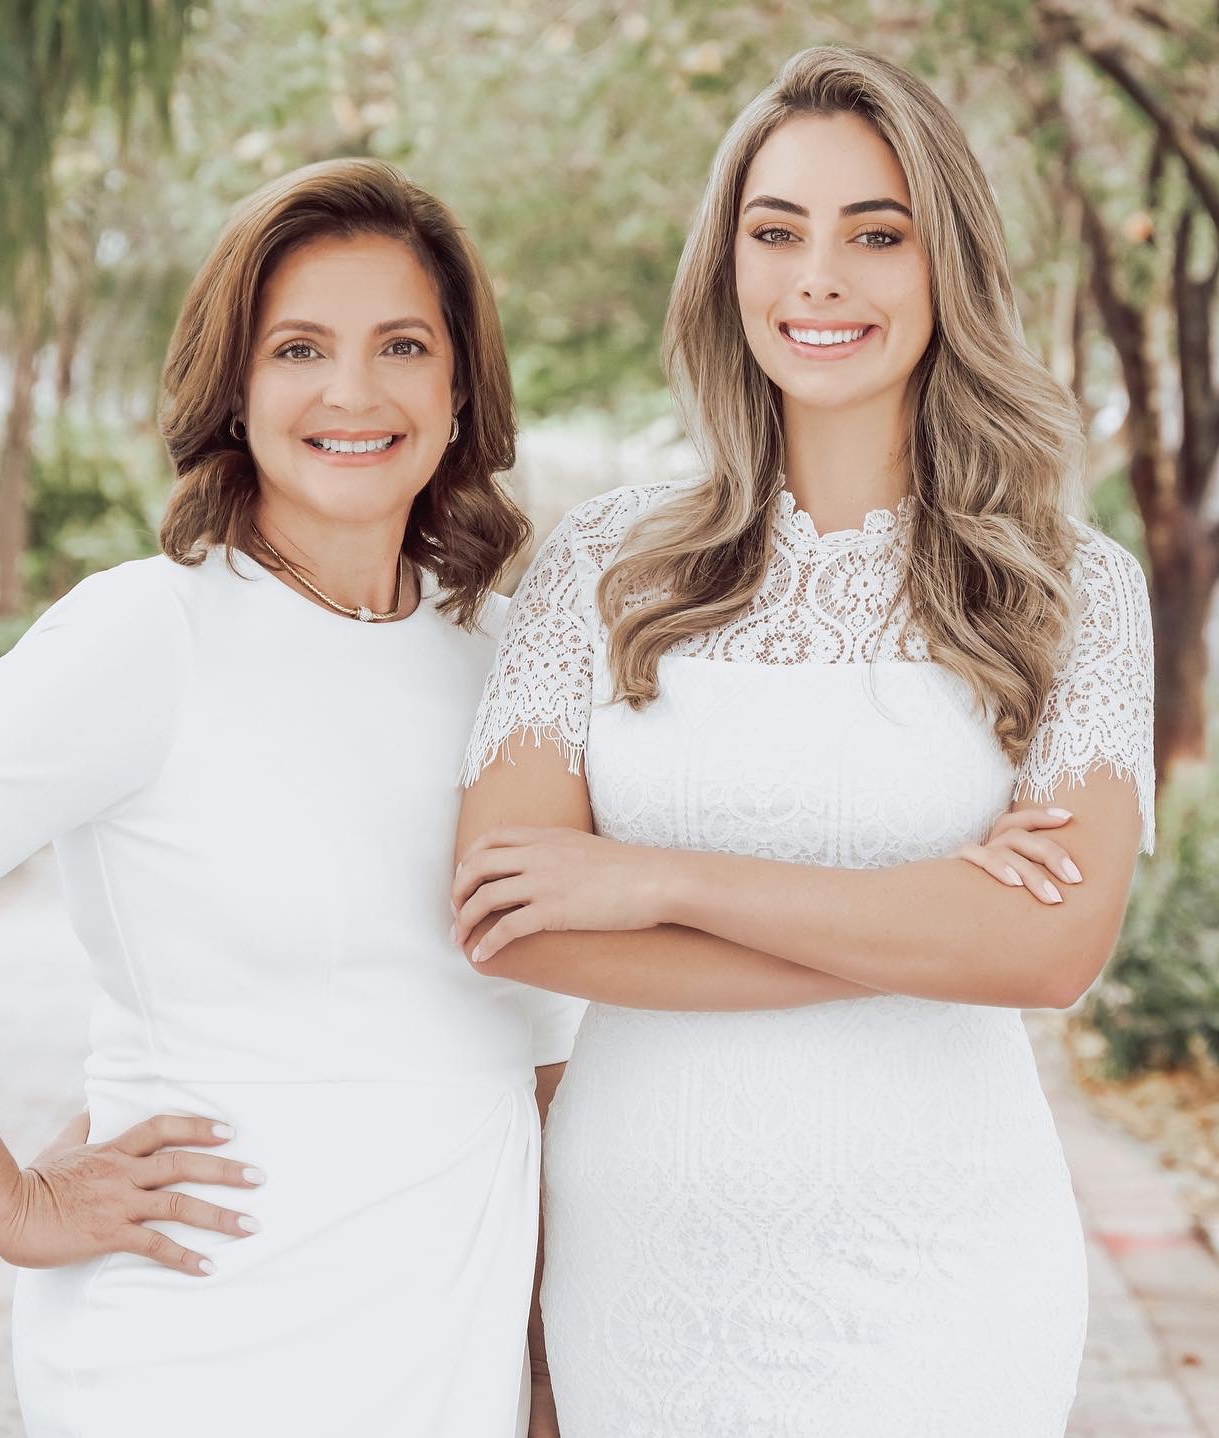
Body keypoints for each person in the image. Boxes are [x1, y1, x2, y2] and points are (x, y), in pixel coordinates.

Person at [0, 157, 582, 1437]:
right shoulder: (152, 630)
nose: (352, 391)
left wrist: (545, 1363)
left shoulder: (506, 655)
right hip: (208, 1338)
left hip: (450, 1328)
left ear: (459, 386)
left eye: (402, 345)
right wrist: (9, 1202)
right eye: (299, 348)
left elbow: (542, 1046)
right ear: (236, 386)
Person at [452, 46, 1154, 1438]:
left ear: (946, 264)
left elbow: (1047, 950)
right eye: (776, 233)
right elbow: (507, 918)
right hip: (648, 1253)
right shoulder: (604, 565)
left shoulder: (1074, 586)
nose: (817, 279)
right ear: (728, 268)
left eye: (874, 234)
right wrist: (924, 920)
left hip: (947, 1260)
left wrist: (662, 877)